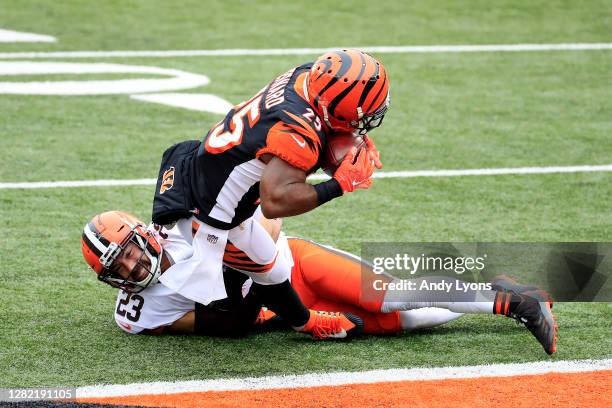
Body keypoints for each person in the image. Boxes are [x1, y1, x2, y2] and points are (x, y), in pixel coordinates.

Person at [144, 49, 389, 339]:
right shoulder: (296, 132)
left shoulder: (306, 75)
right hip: (211, 218)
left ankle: (245, 284)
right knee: (271, 271)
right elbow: (274, 202)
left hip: (202, 171)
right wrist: (339, 184)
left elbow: (316, 124)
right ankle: (307, 323)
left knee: (269, 264)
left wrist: (348, 138)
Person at [81, 210, 557, 354]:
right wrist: (281, 315)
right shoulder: (138, 312)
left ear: (144, 235)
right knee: (412, 320)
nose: (129, 271)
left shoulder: (186, 224)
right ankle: (504, 287)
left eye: (125, 257)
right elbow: (218, 324)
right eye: (116, 271)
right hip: (289, 313)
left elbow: (266, 224)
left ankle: (515, 304)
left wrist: (255, 270)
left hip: (296, 266)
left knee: (393, 293)